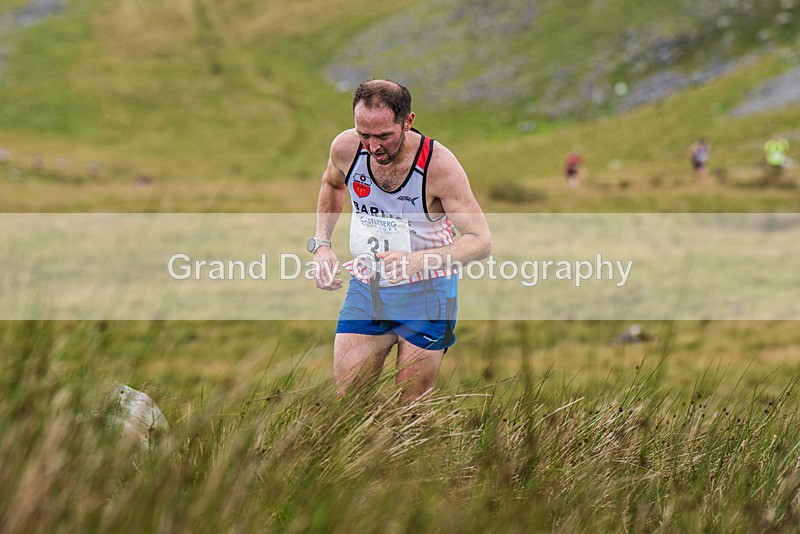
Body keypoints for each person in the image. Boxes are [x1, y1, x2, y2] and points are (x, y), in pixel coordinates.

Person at [309, 79, 492, 403]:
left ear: (408, 121)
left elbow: (480, 241)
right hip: (368, 286)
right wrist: (322, 244)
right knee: (348, 400)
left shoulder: (439, 166)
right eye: (364, 134)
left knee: (409, 409)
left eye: (383, 136)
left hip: (428, 293)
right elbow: (332, 184)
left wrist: (417, 262)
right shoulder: (345, 148)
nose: (373, 146)